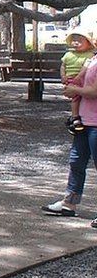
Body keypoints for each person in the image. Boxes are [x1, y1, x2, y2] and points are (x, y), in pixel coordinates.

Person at [41, 41, 97, 229]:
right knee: (76, 162)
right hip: (84, 120)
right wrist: (70, 82)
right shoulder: (92, 59)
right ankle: (69, 203)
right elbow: (82, 79)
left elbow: (95, 91)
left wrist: (76, 90)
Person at [61, 32, 95, 133]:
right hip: (72, 79)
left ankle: (77, 116)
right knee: (76, 98)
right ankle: (75, 117)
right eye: (74, 40)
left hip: (83, 79)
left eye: (79, 41)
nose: (76, 43)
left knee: (82, 97)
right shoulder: (68, 54)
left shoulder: (90, 55)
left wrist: (80, 76)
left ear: (88, 43)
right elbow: (63, 66)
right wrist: (63, 76)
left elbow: (86, 67)